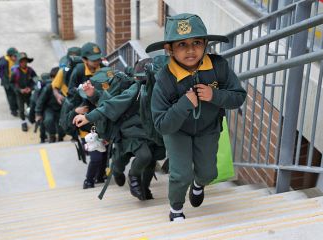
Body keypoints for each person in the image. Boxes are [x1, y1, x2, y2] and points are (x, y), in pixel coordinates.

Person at [146, 13, 247, 221]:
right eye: (182, 44)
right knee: (181, 174)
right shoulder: (164, 79)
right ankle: (175, 209)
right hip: (177, 131)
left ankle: (199, 185)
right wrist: (183, 104)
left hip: (208, 128)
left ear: (206, 44)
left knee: (209, 173)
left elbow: (238, 97)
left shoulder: (218, 66)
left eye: (197, 43)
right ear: (169, 49)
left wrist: (215, 95)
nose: (191, 50)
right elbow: (161, 125)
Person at [73, 67, 166, 200]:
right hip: (131, 130)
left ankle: (144, 188)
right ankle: (125, 175)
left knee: (150, 160)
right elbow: (112, 104)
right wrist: (88, 117)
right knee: (131, 157)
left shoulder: (165, 88)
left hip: (153, 130)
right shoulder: (137, 88)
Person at [35, 67, 64, 143]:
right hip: (49, 108)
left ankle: (61, 136)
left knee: (62, 123)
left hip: (61, 108)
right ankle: (52, 135)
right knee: (48, 120)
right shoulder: (48, 88)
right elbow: (40, 101)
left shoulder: (64, 87)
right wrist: (38, 113)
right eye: (53, 78)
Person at [10, 52, 37, 132]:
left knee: (30, 107)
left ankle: (31, 119)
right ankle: (23, 123)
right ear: (18, 62)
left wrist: (31, 88)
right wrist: (20, 90)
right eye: (21, 61)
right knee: (21, 110)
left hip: (29, 94)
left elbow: (36, 80)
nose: (23, 63)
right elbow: (12, 83)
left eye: (25, 61)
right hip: (20, 94)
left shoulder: (30, 70)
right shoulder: (15, 72)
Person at [0, 47, 19, 116]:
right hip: (7, 82)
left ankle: (18, 107)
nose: (16, 57)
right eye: (14, 56)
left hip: (14, 80)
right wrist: (0, 64)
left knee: (17, 94)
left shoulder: (15, 60)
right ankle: (13, 110)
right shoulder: (4, 61)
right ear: (10, 56)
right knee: (10, 96)